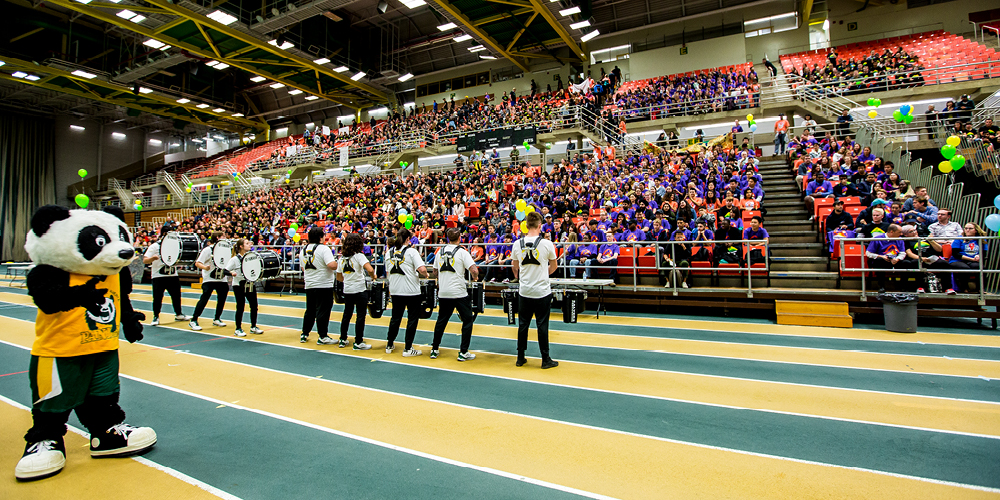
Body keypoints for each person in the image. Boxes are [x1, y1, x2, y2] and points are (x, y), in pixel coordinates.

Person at [511, 211, 559, 369]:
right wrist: (543, 275)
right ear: (540, 226)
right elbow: (554, 266)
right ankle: (545, 359)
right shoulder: (547, 244)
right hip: (541, 291)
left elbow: (514, 267)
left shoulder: (517, 244)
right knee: (542, 324)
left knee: (523, 324)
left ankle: (520, 357)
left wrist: (523, 277)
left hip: (524, 290)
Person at [431, 228, 479, 361]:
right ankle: (463, 351)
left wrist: (442, 277)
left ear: (447, 238)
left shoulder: (439, 251)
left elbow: (434, 271)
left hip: (444, 292)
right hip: (458, 292)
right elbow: (473, 269)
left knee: (441, 321)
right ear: (459, 239)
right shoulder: (462, 252)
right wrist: (475, 277)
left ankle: (434, 349)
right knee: (468, 320)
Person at [385, 227, 428, 356]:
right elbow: (422, 269)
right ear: (408, 239)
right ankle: (408, 348)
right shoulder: (411, 252)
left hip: (396, 289)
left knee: (395, 318)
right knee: (412, 319)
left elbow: (388, 272)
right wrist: (426, 275)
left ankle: (389, 344)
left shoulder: (389, 252)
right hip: (411, 290)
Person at [299, 227, 339, 345]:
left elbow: (303, 268)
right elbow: (331, 265)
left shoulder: (303, 250)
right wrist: (338, 262)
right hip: (323, 284)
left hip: (310, 284)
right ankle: (323, 335)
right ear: (321, 237)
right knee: (323, 310)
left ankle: (305, 333)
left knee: (310, 310)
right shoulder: (323, 249)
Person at [142, 225, 188, 326]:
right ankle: (156, 316)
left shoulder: (175, 246)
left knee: (176, 296)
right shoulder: (154, 246)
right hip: (158, 276)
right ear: (164, 234)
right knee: (158, 297)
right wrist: (152, 259)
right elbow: (145, 259)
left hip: (172, 275)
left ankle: (179, 314)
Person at [337, 232, 375, 349]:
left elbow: (338, 277)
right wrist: (373, 276)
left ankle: (343, 339)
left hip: (348, 289)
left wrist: (348, 280)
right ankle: (358, 341)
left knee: (347, 314)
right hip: (359, 289)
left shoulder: (342, 258)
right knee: (360, 315)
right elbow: (369, 269)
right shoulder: (359, 256)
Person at [189, 232, 228, 331]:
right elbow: (198, 263)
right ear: (218, 238)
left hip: (221, 279)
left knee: (222, 299)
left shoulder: (225, 250)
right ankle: (194, 319)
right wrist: (205, 267)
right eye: (223, 236)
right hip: (209, 279)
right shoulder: (208, 250)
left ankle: (217, 318)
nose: (226, 238)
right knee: (205, 298)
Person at [224, 238, 262, 337]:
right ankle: (238, 328)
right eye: (247, 243)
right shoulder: (234, 259)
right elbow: (225, 270)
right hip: (238, 285)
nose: (249, 245)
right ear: (241, 246)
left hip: (250, 284)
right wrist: (231, 272)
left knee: (254, 306)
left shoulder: (251, 257)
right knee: (240, 307)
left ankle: (253, 326)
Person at [865, 224, 910, 292]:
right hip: (883, 260)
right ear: (892, 232)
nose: (901, 234)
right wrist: (881, 256)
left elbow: (902, 253)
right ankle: (881, 286)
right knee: (879, 261)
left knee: (906, 263)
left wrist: (897, 259)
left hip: (895, 259)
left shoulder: (900, 239)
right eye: (899, 232)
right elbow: (868, 253)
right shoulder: (878, 239)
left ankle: (903, 287)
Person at [949, 223, 986, 293]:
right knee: (964, 268)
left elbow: (984, 253)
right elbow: (956, 254)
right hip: (958, 260)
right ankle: (964, 288)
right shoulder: (959, 239)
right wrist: (972, 259)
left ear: (976, 230)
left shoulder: (981, 239)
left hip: (974, 261)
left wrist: (979, 256)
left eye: (970, 228)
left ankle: (980, 289)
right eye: (966, 228)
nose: (967, 230)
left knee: (980, 267)